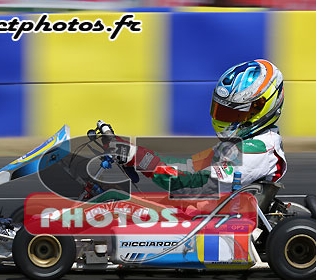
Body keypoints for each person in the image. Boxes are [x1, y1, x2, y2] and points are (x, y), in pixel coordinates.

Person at [121, 59, 287, 198]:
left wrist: (138, 157)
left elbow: (189, 183)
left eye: (234, 114)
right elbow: (189, 167)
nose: (224, 119)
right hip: (212, 211)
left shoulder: (255, 150)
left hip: (222, 221)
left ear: (261, 109)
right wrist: (134, 154)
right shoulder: (241, 144)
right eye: (222, 111)